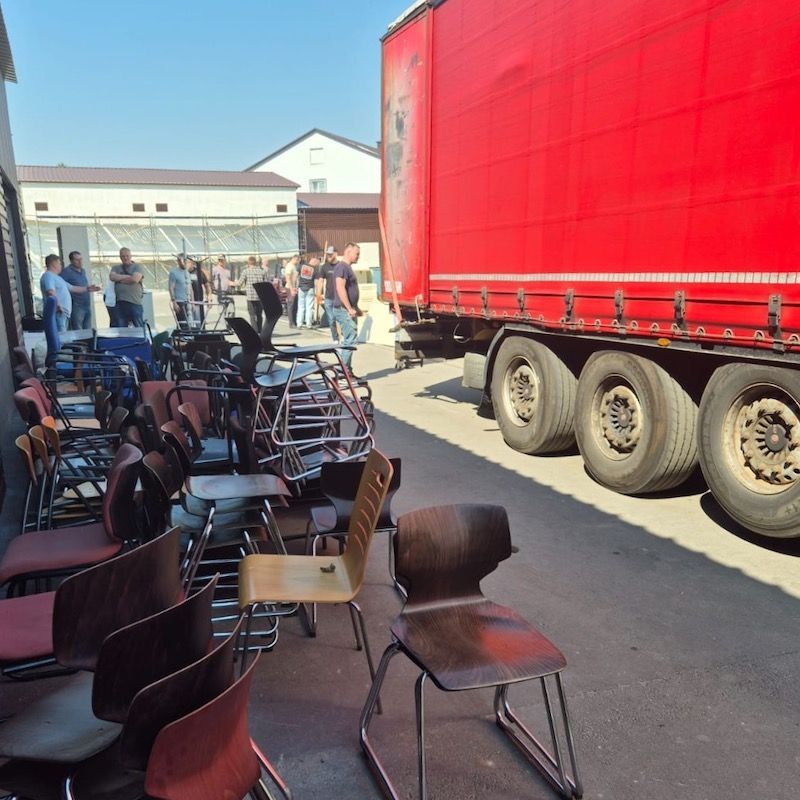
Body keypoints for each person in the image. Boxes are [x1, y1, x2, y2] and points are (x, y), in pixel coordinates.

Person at [332, 243, 362, 375]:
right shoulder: (342, 267)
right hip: (343, 309)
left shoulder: (346, 267)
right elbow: (340, 288)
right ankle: (342, 371)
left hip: (347, 308)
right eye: (357, 254)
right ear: (348, 252)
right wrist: (349, 308)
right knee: (350, 339)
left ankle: (347, 371)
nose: (358, 256)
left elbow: (349, 290)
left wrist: (355, 307)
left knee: (349, 339)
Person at [61, 250, 100, 330]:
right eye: (77, 260)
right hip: (76, 306)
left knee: (88, 330)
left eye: (81, 259)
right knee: (78, 330)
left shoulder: (83, 270)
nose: (80, 262)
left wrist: (91, 288)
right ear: (71, 261)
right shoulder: (67, 272)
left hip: (86, 304)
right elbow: (61, 286)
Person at [109, 247, 144, 327]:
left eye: (127, 256)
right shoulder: (116, 268)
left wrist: (120, 279)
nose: (125, 258)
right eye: (123, 256)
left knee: (138, 327)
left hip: (134, 302)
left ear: (131, 256)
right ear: (120, 257)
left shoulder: (137, 267)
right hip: (120, 303)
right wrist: (128, 277)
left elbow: (135, 279)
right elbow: (112, 277)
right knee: (121, 327)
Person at [39, 253, 72, 332]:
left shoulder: (58, 278)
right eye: (59, 263)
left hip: (63, 314)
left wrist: (87, 288)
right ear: (54, 264)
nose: (61, 266)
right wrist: (58, 305)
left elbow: (72, 288)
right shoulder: (48, 275)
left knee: (64, 336)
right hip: (58, 313)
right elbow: (51, 291)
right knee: (61, 337)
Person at [236, 255, 268, 332]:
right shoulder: (261, 271)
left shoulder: (246, 271)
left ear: (248, 263)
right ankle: (260, 329)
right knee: (259, 314)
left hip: (250, 296)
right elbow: (266, 282)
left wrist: (231, 283)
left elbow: (239, 283)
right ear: (255, 262)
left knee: (252, 314)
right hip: (259, 296)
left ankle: (255, 330)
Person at [320, 246, 339, 342]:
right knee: (331, 319)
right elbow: (320, 280)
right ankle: (335, 338)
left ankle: (344, 336)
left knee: (340, 318)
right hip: (328, 297)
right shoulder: (324, 267)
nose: (329, 256)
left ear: (335, 254)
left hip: (339, 297)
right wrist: (318, 294)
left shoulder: (341, 266)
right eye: (328, 255)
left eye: (331, 255)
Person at [296, 256, 319, 329]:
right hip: (310, 289)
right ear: (314, 262)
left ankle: (299, 324)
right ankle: (308, 324)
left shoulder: (302, 266)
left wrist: (295, 286)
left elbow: (296, 275)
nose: (317, 265)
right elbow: (316, 282)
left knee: (301, 306)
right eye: (317, 263)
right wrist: (317, 291)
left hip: (301, 288)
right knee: (309, 307)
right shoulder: (315, 270)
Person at [168, 254, 191, 326]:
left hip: (188, 301)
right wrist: (174, 302)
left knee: (189, 324)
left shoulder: (187, 273)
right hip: (180, 302)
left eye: (186, 261)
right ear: (178, 261)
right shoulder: (174, 273)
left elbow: (190, 288)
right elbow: (171, 287)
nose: (185, 263)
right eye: (183, 261)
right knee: (182, 324)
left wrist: (192, 302)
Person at [187, 257, 210, 326]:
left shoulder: (198, 272)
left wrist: (209, 296)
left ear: (191, 263)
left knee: (199, 323)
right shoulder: (183, 273)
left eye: (187, 262)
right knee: (188, 324)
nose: (186, 264)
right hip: (187, 303)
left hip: (198, 302)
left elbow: (206, 285)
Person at [284, 254, 299, 328]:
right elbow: (288, 278)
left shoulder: (293, 266)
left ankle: (294, 321)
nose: (298, 262)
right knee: (291, 305)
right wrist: (291, 289)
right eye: (298, 261)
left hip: (294, 288)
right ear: (295, 259)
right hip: (290, 288)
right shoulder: (289, 266)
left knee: (295, 305)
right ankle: (291, 323)